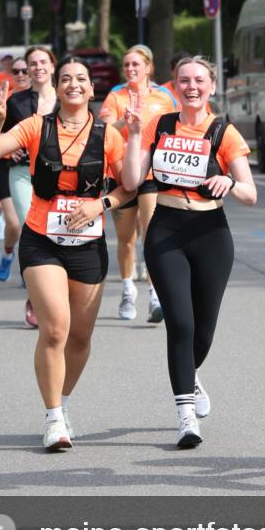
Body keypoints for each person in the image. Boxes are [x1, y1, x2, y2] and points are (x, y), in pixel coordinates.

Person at [0, 58, 133, 451]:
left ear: (92, 90)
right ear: (58, 88)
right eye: (66, 79)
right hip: (41, 239)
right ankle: (53, 419)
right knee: (57, 328)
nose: (74, 85)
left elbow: (130, 186)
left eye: (81, 79)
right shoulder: (35, 126)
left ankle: (61, 405)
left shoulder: (107, 134)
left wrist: (101, 205)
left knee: (80, 337)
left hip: (88, 243)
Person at [122, 55, 257, 448]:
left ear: (212, 86)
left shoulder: (223, 131)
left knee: (203, 329)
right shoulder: (159, 125)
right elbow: (132, 181)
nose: (191, 86)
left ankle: (189, 374)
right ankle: (185, 417)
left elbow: (251, 194)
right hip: (166, 230)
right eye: (184, 80)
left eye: (199, 80)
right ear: (174, 86)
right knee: (179, 323)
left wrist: (229, 181)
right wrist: (132, 136)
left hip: (211, 234)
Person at [100, 45, 176, 323]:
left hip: (152, 175)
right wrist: (125, 120)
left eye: (136, 64)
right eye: (127, 65)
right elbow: (105, 133)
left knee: (152, 234)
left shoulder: (163, 97)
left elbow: (176, 127)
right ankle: (127, 289)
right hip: (120, 174)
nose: (131, 69)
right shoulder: (115, 96)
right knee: (126, 239)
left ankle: (155, 294)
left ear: (148, 67)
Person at [1, 46, 58, 326]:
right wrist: (9, 151)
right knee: (31, 228)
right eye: (32, 63)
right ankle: (34, 297)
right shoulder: (17, 102)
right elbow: (1, 139)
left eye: (42, 62)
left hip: (61, 177)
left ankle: (53, 292)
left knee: (57, 232)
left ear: (52, 65)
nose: (37, 68)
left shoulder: (67, 97)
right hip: (23, 173)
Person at [0, 56, 31, 285]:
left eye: (25, 71)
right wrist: (9, 150)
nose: (20, 75)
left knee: (32, 223)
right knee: (15, 224)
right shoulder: (7, 102)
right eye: (16, 72)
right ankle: (8, 253)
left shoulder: (44, 101)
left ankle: (31, 270)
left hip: (36, 169)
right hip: (7, 168)